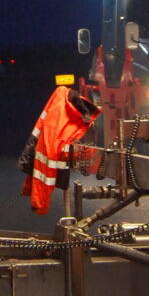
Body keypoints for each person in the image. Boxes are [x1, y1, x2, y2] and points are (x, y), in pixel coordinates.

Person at [19, 85, 100, 214]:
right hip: (50, 156)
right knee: (44, 167)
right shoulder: (60, 110)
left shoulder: (59, 102)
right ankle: (40, 203)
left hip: (48, 154)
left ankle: (40, 203)